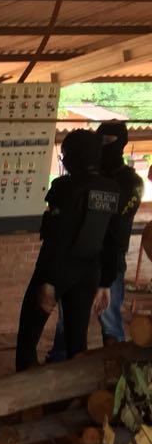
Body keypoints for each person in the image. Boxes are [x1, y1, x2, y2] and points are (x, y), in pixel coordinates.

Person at [14, 129, 120, 371]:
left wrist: (48, 281)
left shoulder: (64, 187)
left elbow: (57, 236)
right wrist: (105, 282)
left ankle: (21, 392)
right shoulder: (111, 189)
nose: (64, 160)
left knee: (29, 334)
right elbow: (113, 240)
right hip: (89, 271)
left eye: (65, 155)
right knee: (77, 339)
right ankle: (74, 393)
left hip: (58, 268)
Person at [45, 120, 144, 357]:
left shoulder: (130, 182)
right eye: (99, 142)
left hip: (110, 264)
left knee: (109, 321)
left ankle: (118, 370)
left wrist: (106, 278)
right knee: (67, 322)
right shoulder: (88, 178)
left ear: (121, 144)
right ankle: (60, 366)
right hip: (79, 260)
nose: (103, 147)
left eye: (108, 142)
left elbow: (113, 226)